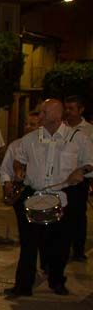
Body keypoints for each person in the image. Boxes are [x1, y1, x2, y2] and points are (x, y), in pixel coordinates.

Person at [1, 99, 93, 298]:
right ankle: (23, 285)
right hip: (34, 194)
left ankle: (57, 280)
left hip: (64, 196)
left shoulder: (79, 138)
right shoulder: (30, 139)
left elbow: (90, 162)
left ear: (57, 115)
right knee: (28, 243)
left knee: (59, 244)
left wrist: (81, 170)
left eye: (43, 112)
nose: (39, 116)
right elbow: (20, 159)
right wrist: (18, 170)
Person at [62, 96, 92, 260]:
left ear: (81, 110)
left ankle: (78, 249)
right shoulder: (61, 128)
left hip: (80, 178)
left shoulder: (89, 130)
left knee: (78, 215)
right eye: (66, 108)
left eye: (72, 108)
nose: (68, 112)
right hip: (61, 178)